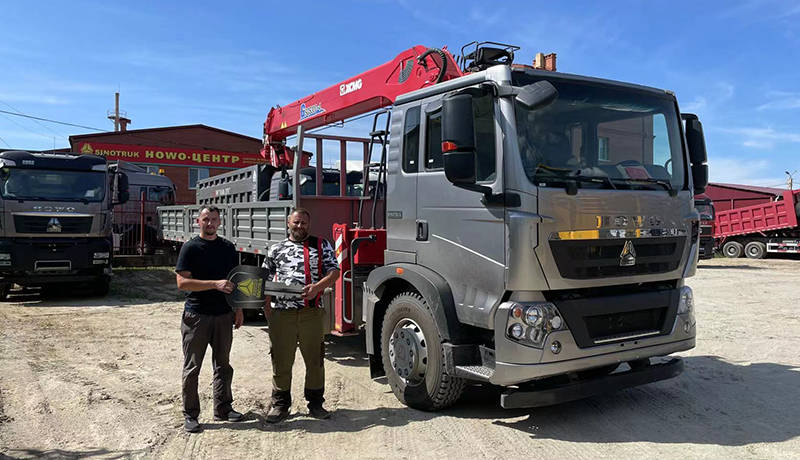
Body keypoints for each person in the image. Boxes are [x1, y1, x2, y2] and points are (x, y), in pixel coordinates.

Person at [262, 207, 340, 423]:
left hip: (311, 313)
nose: (299, 226)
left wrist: (317, 287)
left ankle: (315, 403)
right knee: (281, 360)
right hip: (282, 314)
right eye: (296, 222)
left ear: (309, 224)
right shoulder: (276, 249)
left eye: (303, 222)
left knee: (315, 360)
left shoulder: (321, 245)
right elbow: (264, 278)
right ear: (289, 223)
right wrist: (266, 306)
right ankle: (280, 404)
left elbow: (334, 271)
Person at [175, 204, 245, 433]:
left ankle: (223, 409)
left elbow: (235, 281)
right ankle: (190, 414)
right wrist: (214, 284)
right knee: (192, 367)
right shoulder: (190, 248)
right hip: (197, 316)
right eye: (206, 219)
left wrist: (238, 309)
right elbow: (182, 283)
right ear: (198, 222)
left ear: (220, 222)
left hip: (224, 315)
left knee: (223, 366)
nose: (210, 223)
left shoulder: (227, 248)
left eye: (214, 219)